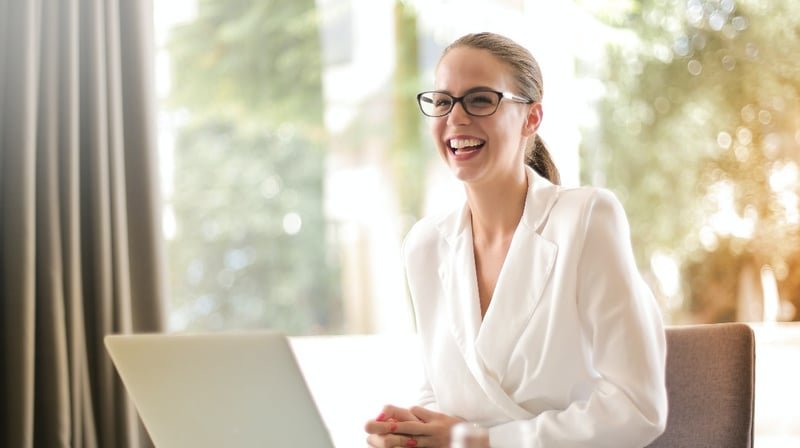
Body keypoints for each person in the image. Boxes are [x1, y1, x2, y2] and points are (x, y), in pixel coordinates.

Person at [364, 32, 667, 448]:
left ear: (531, 118)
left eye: (480, 100)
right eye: (442, 101)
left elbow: (637, 408)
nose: (456, 118)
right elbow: (439, 390)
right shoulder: (424, 245)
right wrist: (410, 433)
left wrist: (482, 442)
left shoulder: (586, 219)